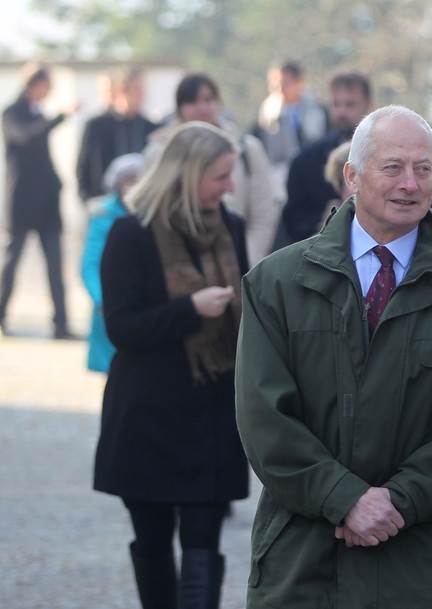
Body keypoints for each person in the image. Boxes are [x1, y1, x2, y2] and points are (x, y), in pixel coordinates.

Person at [234, 106, 432, 608]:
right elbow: (265, 422)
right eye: (392, 167)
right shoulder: (276, 284)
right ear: (352, 176)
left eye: (423, 169)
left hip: (424, 565)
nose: (409, 184)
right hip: (305, 565)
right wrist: (342, 498)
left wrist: (396, 502)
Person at [92, 122, 251, 609]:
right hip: (148, 416)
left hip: (211, 412)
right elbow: (121, 328)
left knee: (205, 539)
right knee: (154, 541)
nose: (228, 187)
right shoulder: (130, 233)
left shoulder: (230, 227)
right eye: (220, 176)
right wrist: (189, 310)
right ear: (187, 173)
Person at [145, 73, 277, 266]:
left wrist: (245, 260)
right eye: (192, 101)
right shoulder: (159, 152)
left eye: (208, 99)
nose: (202, 107)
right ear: (179, 108)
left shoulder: (246, 147)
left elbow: (264, 212)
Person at [0, 63, 74, 339]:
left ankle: (62, 324)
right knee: (12, 264)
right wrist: (58, 118)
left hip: (47, 205)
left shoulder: (38, 113)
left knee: (56, 266)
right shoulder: (12, 113)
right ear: (35, 84)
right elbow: (27, 137)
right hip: (21, 204)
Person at [280, 71, 373, 244]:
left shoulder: (391, 155)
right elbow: (294, 219)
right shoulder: (305, 161)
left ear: (367, 105)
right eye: (336, 104)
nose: (342, 112)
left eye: (350, 104)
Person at [81, 152, 144, 373]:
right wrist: (103, 298)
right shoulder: (103, 214)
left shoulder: (150, 213)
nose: (133, 186)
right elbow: (89, 263)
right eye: (129, 181)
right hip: (108, 307)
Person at [76, 67, 156, 205]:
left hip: (141, 204)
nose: (142, 95)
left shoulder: (150, 127)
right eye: (137, 90)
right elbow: (83, 165)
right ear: (121, 91)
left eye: (142, 90)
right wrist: (87, 199)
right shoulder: (96, 125)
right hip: (105, 205)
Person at [252, 60, 329, 203]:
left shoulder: (316, 109)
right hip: (278, 178)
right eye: (276, 83)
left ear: (299, 82)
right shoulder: (268, 113)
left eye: (286, 82)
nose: (280, 87)